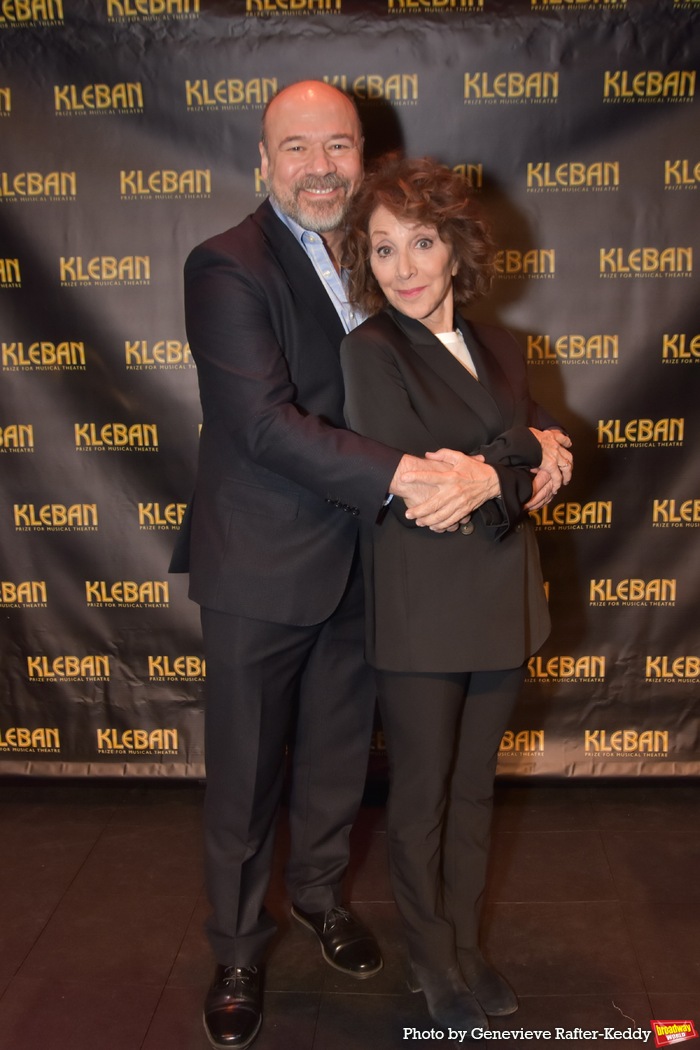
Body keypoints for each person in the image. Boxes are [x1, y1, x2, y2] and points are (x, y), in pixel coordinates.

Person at [174, 83, 558, 1050]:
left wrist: (537, 444)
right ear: (264, 161)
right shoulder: (226, 264)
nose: (318, 165)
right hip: (263, 560)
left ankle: (319, 901)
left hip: (372, 561)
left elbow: (461, 388)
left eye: (337, 144)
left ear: (362, 155)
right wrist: (414, 474)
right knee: (249, 771)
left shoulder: (376, 252)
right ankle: (235, 946)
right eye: (295, 146)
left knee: (341, 763)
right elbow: (261, 423)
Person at [339, 155, 573, 1036]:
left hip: (505, 600)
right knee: (422, 794)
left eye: (421, 242)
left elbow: (535, 444)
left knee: (476, 790)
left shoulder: (504, 346)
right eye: (384, 248)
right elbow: (428, 495)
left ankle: (468, 947)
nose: (404, 268)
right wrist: (519, 458)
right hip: (422, 608)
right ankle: (431, 959)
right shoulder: (367, 352)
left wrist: (521, 455)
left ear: (455, 247)